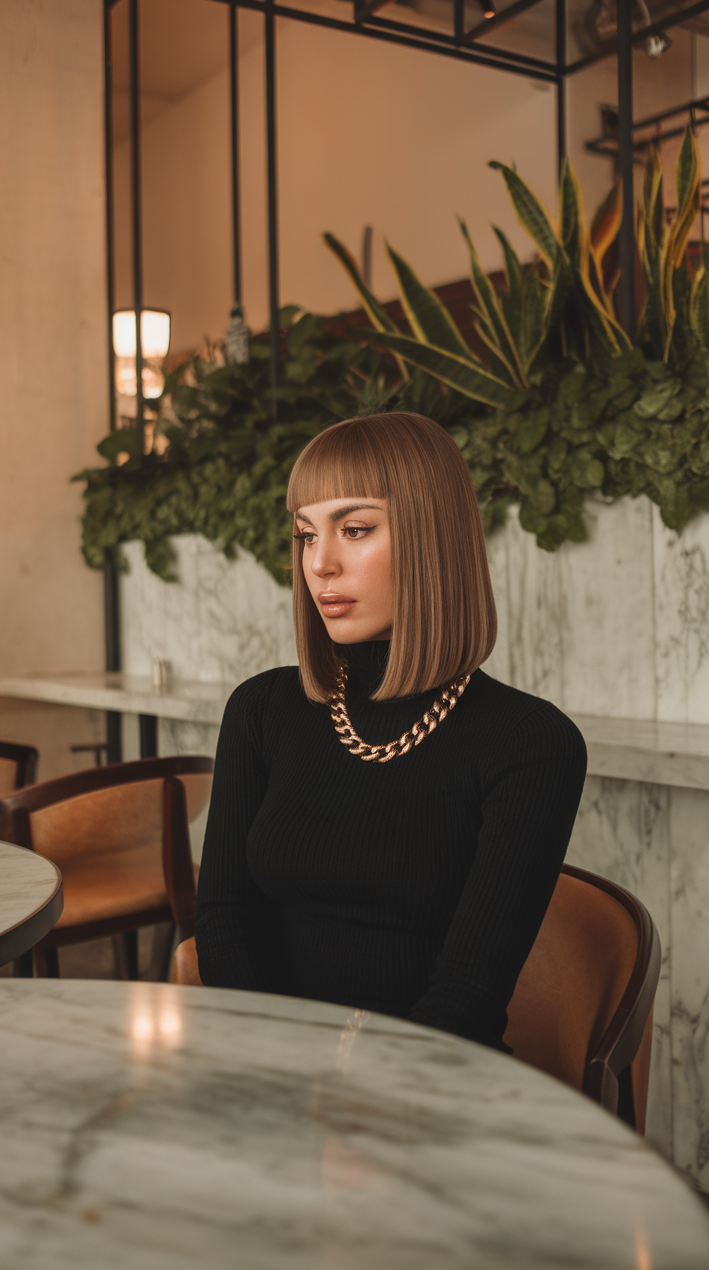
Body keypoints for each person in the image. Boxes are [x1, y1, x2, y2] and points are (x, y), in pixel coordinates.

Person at [195, 411, 587, 1050]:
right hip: (268, 1070)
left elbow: (466, 996)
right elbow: (223, 921)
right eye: (304, 534)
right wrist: (282, 1069)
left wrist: (357, 1103)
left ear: (434, 538)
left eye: (354, 529)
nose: (319, 564)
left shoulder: (531, 744)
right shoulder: (261, 709)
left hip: (428, 1089)